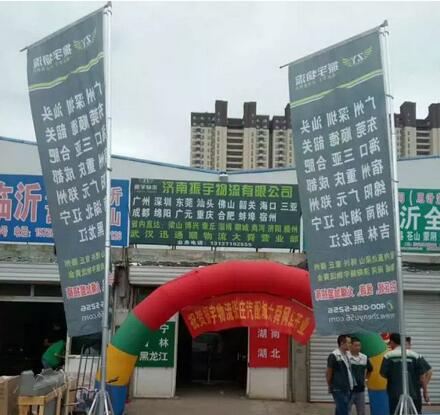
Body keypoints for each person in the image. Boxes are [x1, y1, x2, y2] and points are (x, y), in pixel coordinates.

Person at [380, 333, 431, 414]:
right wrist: (425, 392)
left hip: (394, 393)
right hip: (414, 393)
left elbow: (383, 373)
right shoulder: (415, 355)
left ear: (392, 342)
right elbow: (423, 375)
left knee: (396, 412)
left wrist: (394, 377)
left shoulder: (388, 355)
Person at [326, 334, 355, 415]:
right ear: (342, 343)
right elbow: (329, 372)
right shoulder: (334, 355)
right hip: (338, 388)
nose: (350, 345)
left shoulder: (347, 355)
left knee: (340, 410)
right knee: (343, 410)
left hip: (348, 387)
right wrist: (330, 385)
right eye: (349, 343)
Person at [348, 337, 373, 415]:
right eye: (356, 345)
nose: (358, 347)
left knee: (361, 412)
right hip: (348, 390)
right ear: (350, 346)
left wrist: (366, 380)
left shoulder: (364, 357)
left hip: (360, 390)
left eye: (359, 345)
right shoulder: (346, 356)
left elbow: (370, 369)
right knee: (346, 411)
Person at [406, 336, 433, 405]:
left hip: (399, 391)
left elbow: (428, 373)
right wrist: (424, 390)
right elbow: (429, 372)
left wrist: (423, 388)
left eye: (406, 345)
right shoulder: (416, 356)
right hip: (414, 391)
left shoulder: (393, 356)